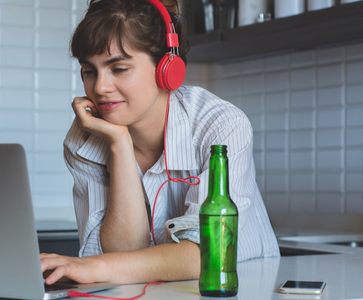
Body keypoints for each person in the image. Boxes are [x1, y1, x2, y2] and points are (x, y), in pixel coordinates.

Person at [40, 0, 280, 285]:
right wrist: (119, 144)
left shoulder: (222, 126)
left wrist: (96, 268)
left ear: (167, 68)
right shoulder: (85, 140)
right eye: (90, 71)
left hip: (245, 288)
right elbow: (123, 254)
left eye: (118, 69)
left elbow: (206, 254)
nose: (100, 88)